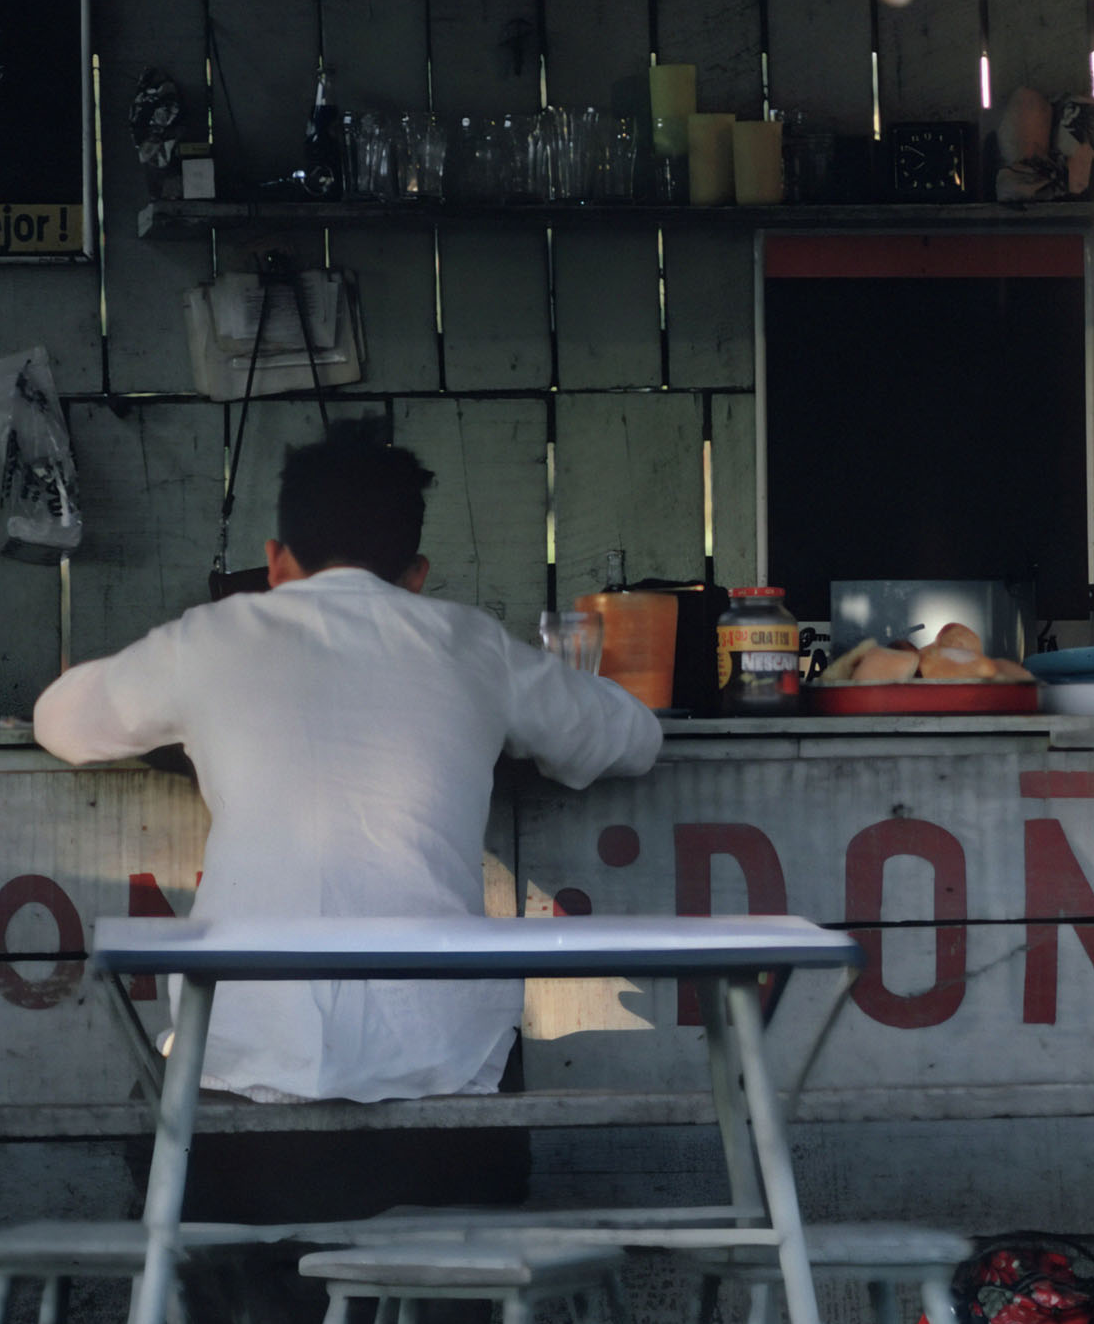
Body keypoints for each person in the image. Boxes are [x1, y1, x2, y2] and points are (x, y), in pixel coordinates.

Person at [35, 424, 662, 1216]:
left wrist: (199, 723)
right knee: (474, 1174)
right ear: (418, 574)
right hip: (443, 1094)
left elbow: (61, 718)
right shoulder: (472, 646)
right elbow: (634, 738)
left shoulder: (212, 639)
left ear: (274, 563)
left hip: (246, 1089)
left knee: (169, 1126)